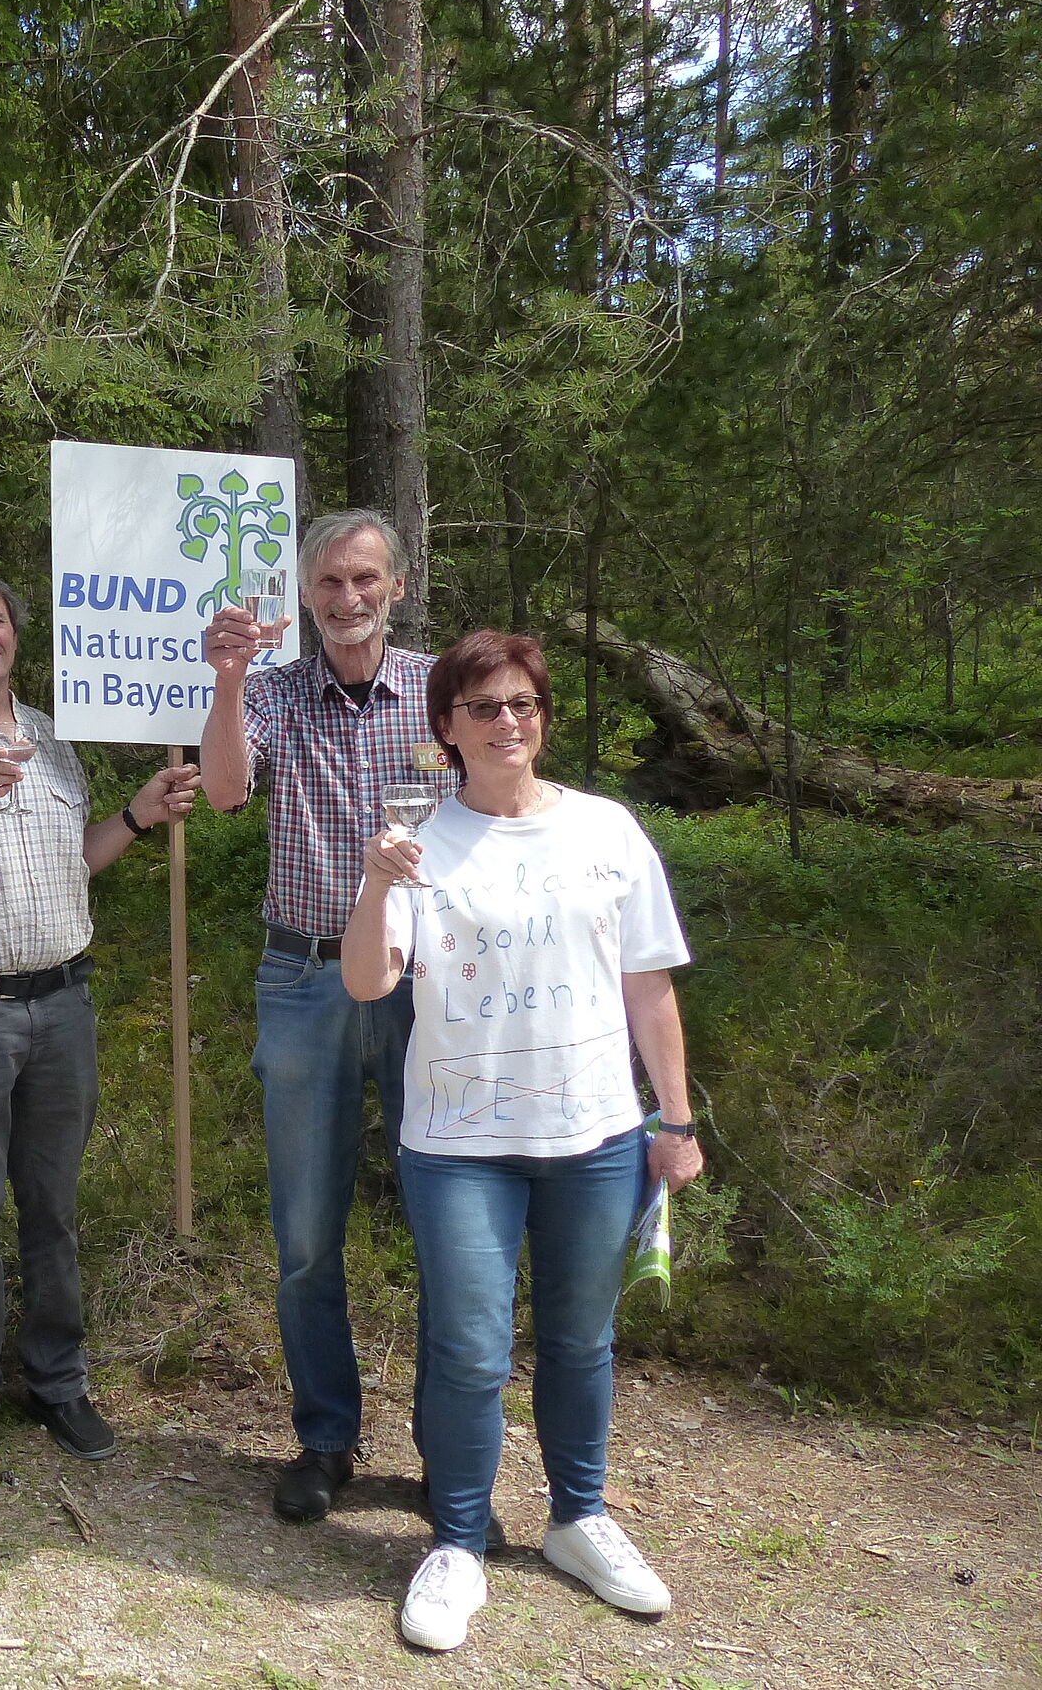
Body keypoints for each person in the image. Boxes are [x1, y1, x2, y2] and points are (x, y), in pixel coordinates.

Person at [339, 628, 705, 1652]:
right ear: (446, 729)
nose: (508, 722)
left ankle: (578, 1520)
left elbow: (647, 984)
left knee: (583, 1340)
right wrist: (376, 883)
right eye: (484, 707)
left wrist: (676, 1121)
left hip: (596, 1135)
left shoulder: (606, 830)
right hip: (459, 1144)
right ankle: (458, 1542)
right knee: (469, 1347)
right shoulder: (420, 842)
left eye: (524, 704)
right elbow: (366, 983)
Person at [0, 570, 197, 1463]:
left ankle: (59, 1381)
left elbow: (72, 862)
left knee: (53, 1206)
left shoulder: (52, 739)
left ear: (15, 634)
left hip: (64, 1004)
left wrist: (135, 816)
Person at [197, 510, 442, 1523]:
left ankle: (449, 1455)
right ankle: (325, 1439)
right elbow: (223, 793)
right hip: (305, 977)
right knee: (306, 1233)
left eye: (365, 579)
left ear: (396, 586)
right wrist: (225, 679)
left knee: (450, 1223)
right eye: (330, 583)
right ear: (305, 596)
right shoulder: (273, 692)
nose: (348, 599)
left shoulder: (440, 690)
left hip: (430, 985)